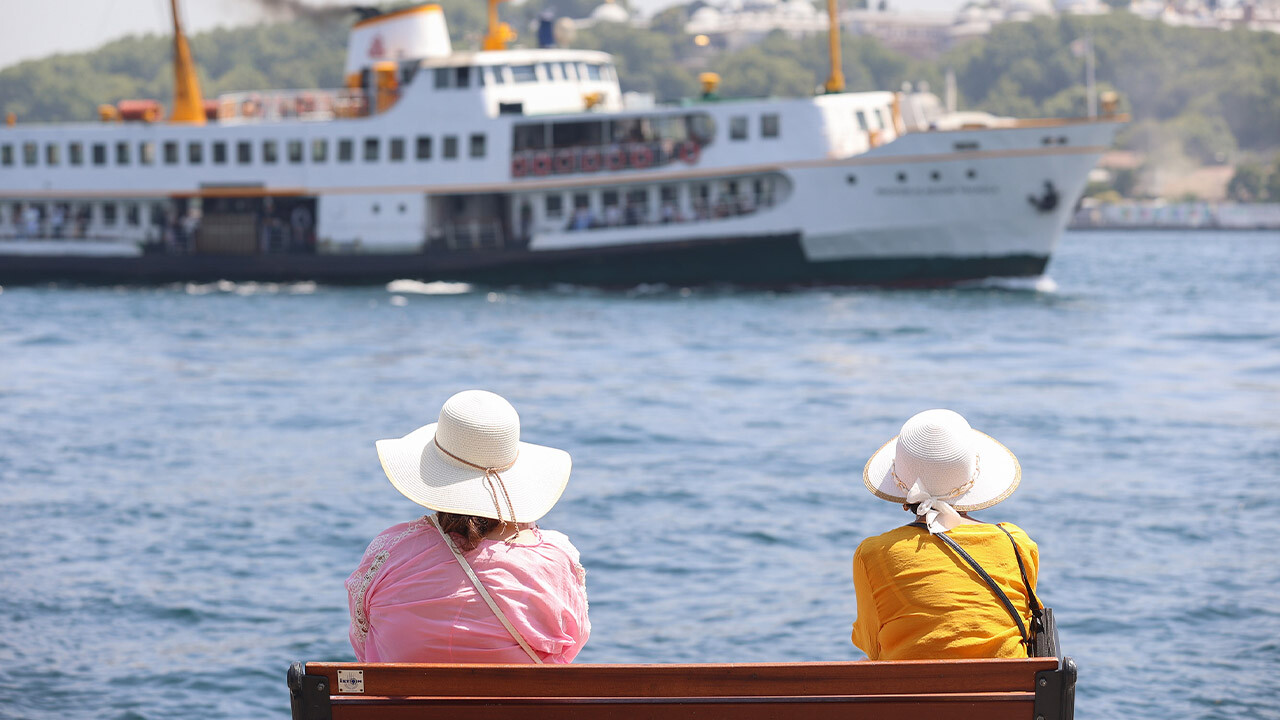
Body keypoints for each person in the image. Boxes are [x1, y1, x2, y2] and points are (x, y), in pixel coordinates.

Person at [346, 390, 590, 663]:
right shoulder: (554, 559)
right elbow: (569, 648)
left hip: (400, 707)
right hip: (523, 707)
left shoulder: (389, 553)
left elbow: (364, 648)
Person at [852, 409, 1039, 661]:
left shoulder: (873, 554)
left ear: (905, 496)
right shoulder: (1016, 543)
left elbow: (873, 648)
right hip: (1011, 696)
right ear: (973, 482)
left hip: (907, 698)